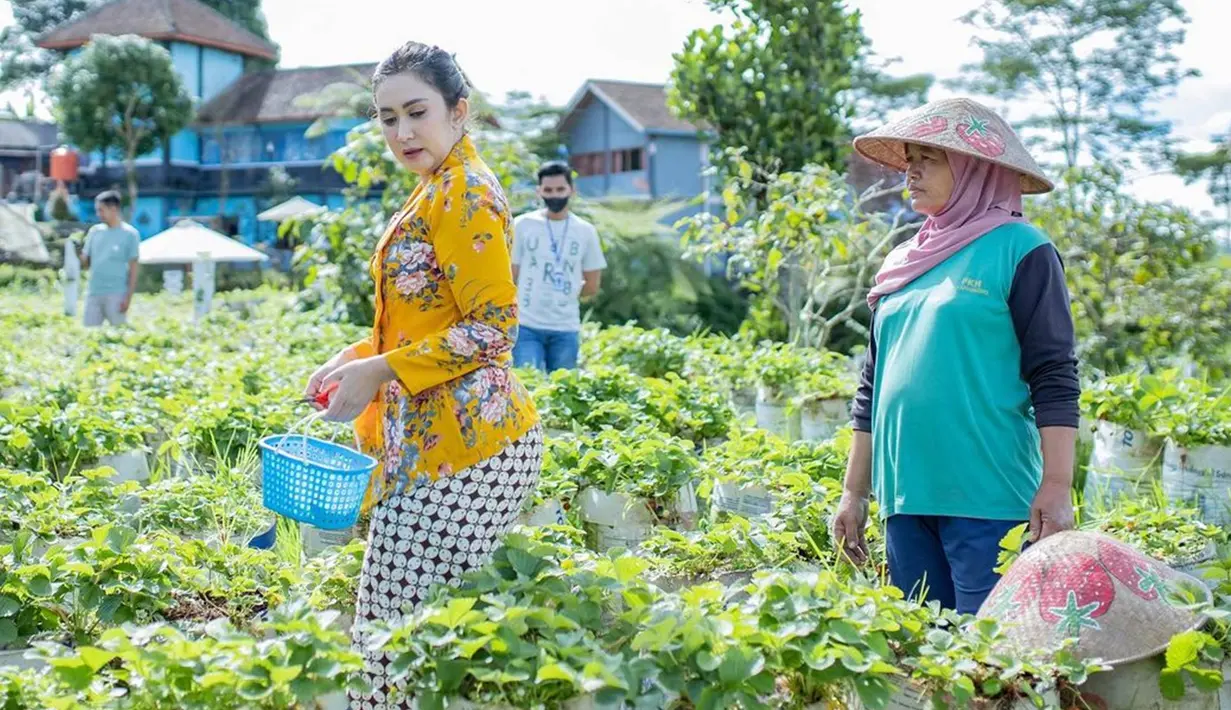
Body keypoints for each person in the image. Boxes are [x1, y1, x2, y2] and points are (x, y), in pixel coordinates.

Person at [301, 42, 542, 710]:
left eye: (416, 113)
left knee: (392, 641)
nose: (401, 132)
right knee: (404, 635)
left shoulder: (464, 193)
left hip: (467, 453)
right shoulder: (435, 188)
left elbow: (493, 328)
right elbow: (429, 319)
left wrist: (380, 369)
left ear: (458, 111)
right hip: (435, 445)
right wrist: (359, 358)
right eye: (386, 119)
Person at [831, 97, 1080, 615]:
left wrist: (1057, 484)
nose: (912, 171)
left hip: (987, 499)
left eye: (930, 158)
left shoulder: (1020, 248)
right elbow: (872, 387)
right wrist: (854, 493)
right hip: (906, 499)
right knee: (925, 663)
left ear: (975, 170)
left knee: (992, 665)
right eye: (910, 157)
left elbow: (1054, 374)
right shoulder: (902, 260)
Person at [510, 161, 606, 372]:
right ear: (539, 191)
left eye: (560, 189)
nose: (554, 195)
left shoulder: (585, 231)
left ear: (572, 190)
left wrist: (563, 294)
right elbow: (510, 276)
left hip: (566, 327)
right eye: (548, 190)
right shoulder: (522, 225)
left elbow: (592, 285)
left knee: (562, 392)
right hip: (526, 325)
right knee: (528, 385)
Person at [79, 190, 140, 327]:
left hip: (117, 293)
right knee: (89, 335)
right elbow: (86, 261)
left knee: (119, 334)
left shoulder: (130, 234)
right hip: (94, 292)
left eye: (101, 210)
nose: (98, 214)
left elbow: (134, 268)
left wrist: (128, 297)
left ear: (114, 209)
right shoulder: (94, 232)